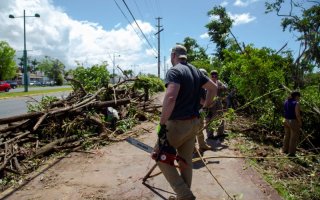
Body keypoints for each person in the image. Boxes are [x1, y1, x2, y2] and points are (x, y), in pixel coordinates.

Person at [155, 44, 217, 200]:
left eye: (171, 56)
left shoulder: (175, 71)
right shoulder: (196, 71)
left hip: (177, 125)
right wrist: (206, 105)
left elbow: (170, 98)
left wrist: (162, 124)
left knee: (159, 155)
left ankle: (185, 195)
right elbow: (213, 88)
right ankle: (184, 196)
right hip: (193, 124)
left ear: (173, 55)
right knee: (185, 161)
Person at [206, 70, 228, 140]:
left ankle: (220, 133)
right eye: (212, 75)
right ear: (210, 75)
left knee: (221, 116)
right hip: (210, 101)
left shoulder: (218, 82)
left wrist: (221, 87)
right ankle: (210, 135)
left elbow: (225, 88)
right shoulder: (208, 81)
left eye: (215, 75)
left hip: (218, 101)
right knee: (210, 118)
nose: (214, 76)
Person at [196, 68, 212, 152]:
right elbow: (199, 99)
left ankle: (202, 145)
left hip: (201, 110)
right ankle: (192, 148)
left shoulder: (202, 86)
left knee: (200, 128)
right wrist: (208, 103)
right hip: (196, 111)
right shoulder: (197, 86)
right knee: (195, 129)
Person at [283, 91, 302, 156]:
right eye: (299, 97)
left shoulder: (286, 101)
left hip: (285, 120)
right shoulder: (296, 103)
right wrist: (300, 122)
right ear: (296, 96)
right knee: (293, 137)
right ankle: (291, 153)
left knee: (287, 135)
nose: (299, 98)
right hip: (293, 121)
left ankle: (284, 150)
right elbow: (297, 114)